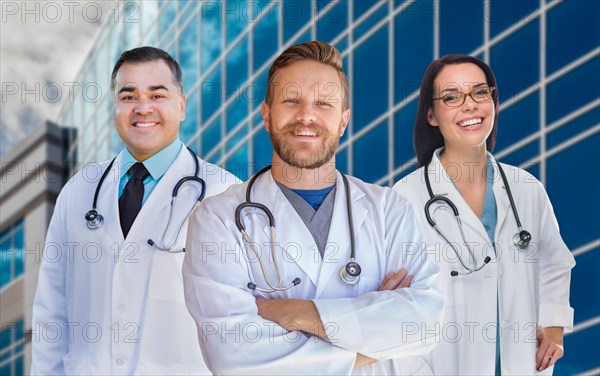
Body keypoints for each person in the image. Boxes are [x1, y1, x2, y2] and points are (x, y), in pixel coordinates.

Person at [182, 41, 443, 375]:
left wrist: (295, 313)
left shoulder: (389, 210)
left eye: (323, 103)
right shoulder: (217, 219)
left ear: (343, 120)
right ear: (266, 114)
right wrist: (373, 340)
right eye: (292, 101)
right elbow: (233, 356)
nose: (306, 115)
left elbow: (424, 323)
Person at [31, 46, 238, 374]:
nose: (143, 108)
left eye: (158, 96)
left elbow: (244, 319)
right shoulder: (79, 190)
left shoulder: (225, 194)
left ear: (182, 105)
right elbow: (51, 310)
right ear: (115, 107)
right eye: (129, 97)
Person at [393, 54, 575, 375]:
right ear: (431, 115)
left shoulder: (525, 187)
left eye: (480, 92)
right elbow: (393, 307)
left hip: (520, 364)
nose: (470, 105)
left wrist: (554, 329)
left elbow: (554, 262)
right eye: (451, 97)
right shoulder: (405, 197)